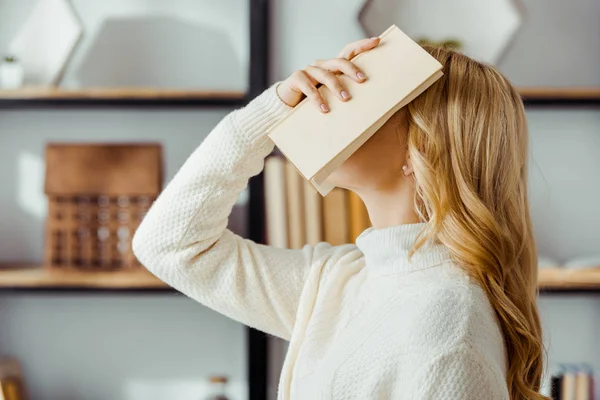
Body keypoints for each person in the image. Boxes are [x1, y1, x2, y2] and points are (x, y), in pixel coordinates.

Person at [132, 37, 547, 400]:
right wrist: (271, 110)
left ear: (423, 147)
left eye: (371, 93)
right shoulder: (340, 281)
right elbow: (171, 246)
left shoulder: (448, 328)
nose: (336, 96)